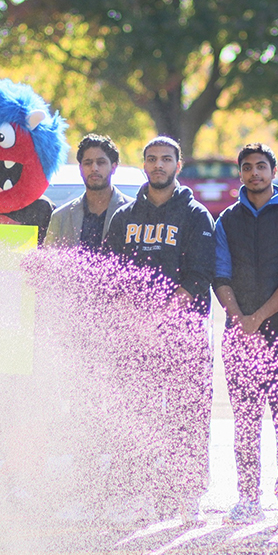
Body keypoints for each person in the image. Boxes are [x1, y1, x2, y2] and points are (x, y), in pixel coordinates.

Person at [103, 135, 215, 524]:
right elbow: (111, 277)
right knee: (140, 416)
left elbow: (201, 276)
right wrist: (134, 317)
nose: (158, 165)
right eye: (151, 159)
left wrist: (162, 313)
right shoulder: (124, 217)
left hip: (183, 337)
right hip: (136, 337)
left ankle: (187, 494)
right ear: (144, 164)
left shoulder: (196, 215)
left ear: (177, 165)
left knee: (187, 415)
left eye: (166, 159)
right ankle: (140, 495)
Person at [213, 143, 278, 527]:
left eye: (261, 166)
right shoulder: (226, 220)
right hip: (239, 336)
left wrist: (259, 318)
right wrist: (240, 319)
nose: (254, 173)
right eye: (247, 168)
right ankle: (247, 499)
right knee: (246, 421)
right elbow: (220, 275)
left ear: (274, 171)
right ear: (240, 174)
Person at [45, 133, 133, 248]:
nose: (94, 168)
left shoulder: (133, 212)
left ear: (114, 167)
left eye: (101, 162)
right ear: (80, 168)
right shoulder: (61, 217)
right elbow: (50, 261)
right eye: (88, 163)